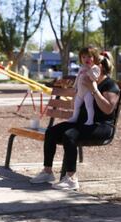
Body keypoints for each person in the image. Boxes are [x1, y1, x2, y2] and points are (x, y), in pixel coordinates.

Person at [30, 51, 120, 190]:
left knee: (70, 135)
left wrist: (94, 90)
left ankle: (71, 178)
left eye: (92, 63)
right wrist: (76, 92)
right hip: (83, 123)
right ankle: (47, 172)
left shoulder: (110, 85)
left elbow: (107, 109)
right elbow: (77, 103)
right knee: (52, 131)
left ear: (100, 67)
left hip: (101, 126)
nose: (87, 64)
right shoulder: (86, 80)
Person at [67, 47, 101, 125]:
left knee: (89, 106)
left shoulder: (95, 68)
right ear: (81, 59)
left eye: (89, 56)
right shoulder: (81, 68)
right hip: (80, 91)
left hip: (88, 91)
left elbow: (95, 78)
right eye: (84, 57)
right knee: (76, 105)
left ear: (94, 58)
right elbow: (78, 77)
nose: (87, 59)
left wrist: (89, 70)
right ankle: (74, 117)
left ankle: (90, 120)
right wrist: (75, 86)